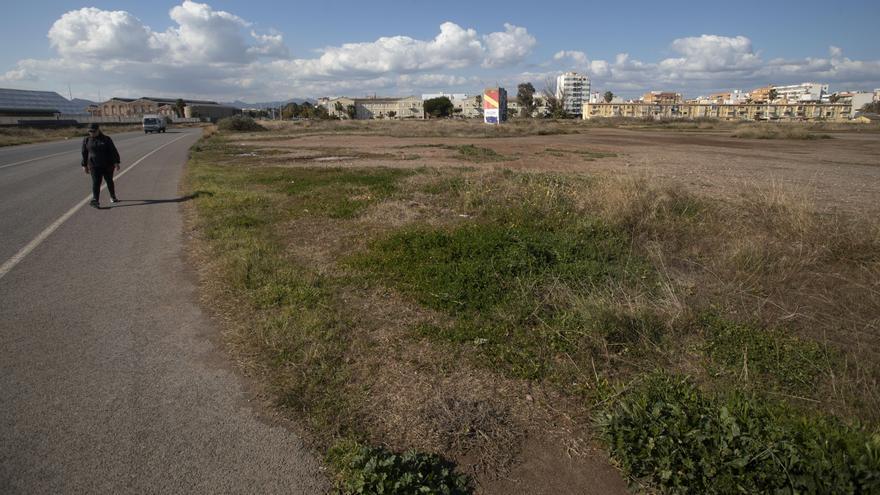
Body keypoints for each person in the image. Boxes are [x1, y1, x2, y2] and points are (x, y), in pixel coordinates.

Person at [81, 123, 120, 207]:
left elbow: (113, 151)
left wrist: (116, 162)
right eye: (90, 131)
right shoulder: (86, 140)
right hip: (94, 165)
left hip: (107, 165)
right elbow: (84, 153)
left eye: (93, 131)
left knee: (109, 181)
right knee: (96, 182)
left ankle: (113, 196)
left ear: (98, 130)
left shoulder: (106, 139)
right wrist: (84, 165)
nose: (91, 133)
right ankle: (96, 200)